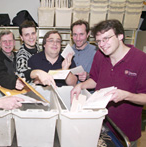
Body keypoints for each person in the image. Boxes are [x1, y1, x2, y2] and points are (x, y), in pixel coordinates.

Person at [71, 19, 146, 147]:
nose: (102, 44)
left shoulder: (140, 60)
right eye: (99, 41)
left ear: (120, 36)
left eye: (106, 39)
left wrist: (126, 95)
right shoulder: (100, 55)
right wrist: (80, 85)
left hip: (125, 130)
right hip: (102, 124)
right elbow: (95, 80)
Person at [16, 20, 56, 87]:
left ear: (36, 34)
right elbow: (22, 74)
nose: (31, 37)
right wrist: (37, 74)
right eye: (27, 35)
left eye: (33, 33)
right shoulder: (22, 55)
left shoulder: (37, 47)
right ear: (21, 37)